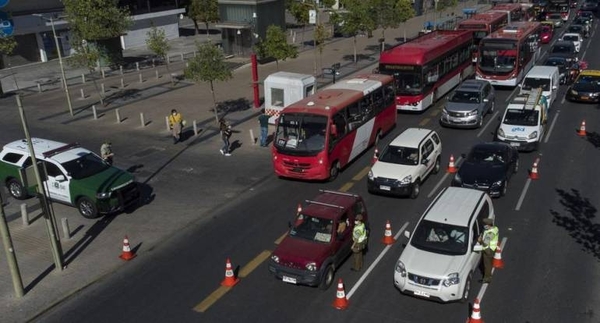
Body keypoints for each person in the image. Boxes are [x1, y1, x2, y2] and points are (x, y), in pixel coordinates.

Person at [478, 218, 499, 284]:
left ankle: (486, 279)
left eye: (485, 225)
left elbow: (485, 243)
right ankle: (488, 276)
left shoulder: (491, 233)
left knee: (487, 265)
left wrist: (480, 240)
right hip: (492, 249)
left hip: (488, 250)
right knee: (488, 264)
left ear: (489, 225)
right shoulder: (495, 228)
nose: (484, 226)